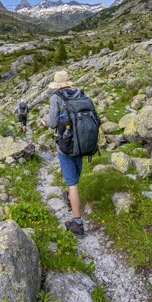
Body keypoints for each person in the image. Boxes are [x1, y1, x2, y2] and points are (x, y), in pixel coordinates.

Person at [39, 71, 86, 238]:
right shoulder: (81, 93)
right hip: (82, 143)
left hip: (66, 146)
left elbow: (52, 123)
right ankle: (71, 198)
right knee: (75, 177)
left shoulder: (56, 97)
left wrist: (44, 121)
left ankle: (77, 223)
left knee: (72, 183)